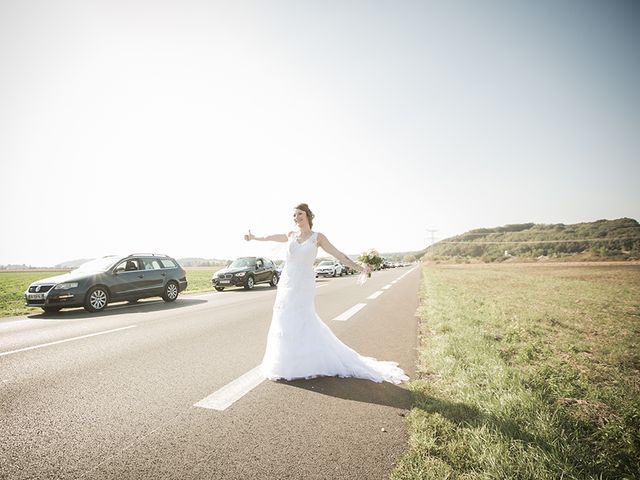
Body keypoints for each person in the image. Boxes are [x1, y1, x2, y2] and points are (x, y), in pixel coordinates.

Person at [244, 203, 408, 384]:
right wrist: (253, 237)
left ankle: (309, 360)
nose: (296, 218)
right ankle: (287, 363)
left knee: (303, 319)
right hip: (287, 284)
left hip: (304, 285)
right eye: (294, 215)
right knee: (284, 319)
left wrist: (360, 268)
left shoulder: (318, 237)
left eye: (299, 214)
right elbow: (269, 237)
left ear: (307, 216)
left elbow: (339, 255)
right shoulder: (290, 235)